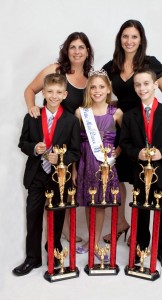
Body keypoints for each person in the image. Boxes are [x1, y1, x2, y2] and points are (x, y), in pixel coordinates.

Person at [102, 19, 162, 245]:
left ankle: (146, 237)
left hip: (143, 126)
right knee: (118, 177)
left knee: (140, 178)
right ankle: (122, 224)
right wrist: (112, 109)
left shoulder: (150, 63)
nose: (129, 41)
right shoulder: (110, 66)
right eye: (125, 36)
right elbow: (107, 96)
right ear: (119, 39)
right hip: (120, 126)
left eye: (134, 36)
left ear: (141, 40)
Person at [24, 32, 94, 242]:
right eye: (72, 47)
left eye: (81, 47)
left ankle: (58, 240)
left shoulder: (90, 79)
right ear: (67, 49)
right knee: (43, 198)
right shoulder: (56, 70)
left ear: (87, 51)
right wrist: (32, 109)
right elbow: (30, 89)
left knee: (64, 191)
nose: (77, 51)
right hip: (47, 138)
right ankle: (46, 246)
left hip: (73, 140)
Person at [12, 73, 81, 276]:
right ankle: (32, 258)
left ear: (65, 94)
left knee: (57, 215)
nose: (53, 95)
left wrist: (60, 159)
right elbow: (22, 143)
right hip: (36, 175)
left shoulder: (70, 121)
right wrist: (34, 148)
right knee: (33, 215)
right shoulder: (32, 116)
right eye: (50, 91)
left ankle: (53, 249)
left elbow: (75, 152)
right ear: (43, 92)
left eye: (58, 92)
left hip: (59, 177)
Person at [119, 68, 162, 271]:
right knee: (141, 213)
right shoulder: (130, 116)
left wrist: (161, 153)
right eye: (138, 85)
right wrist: (137, 153)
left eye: (146, 84)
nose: (142, 88)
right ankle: (140, 250)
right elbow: (126, 143)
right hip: (140, 174)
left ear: (155, 85)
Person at [74, 70, 123, 261]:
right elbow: (74, 143)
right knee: (88, 201)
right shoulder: (81, 113)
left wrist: (115, 154)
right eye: (93, 87)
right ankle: (91, 239)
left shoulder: (116, 113)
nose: (97, 90)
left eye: (101, 87)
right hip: (86, 160)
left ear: (108, 89)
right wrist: (74, 168)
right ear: (88, 90)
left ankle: (94, 241)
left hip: (105, 164)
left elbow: (126, 139)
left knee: (101, 203)